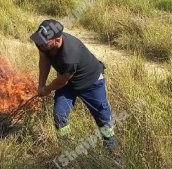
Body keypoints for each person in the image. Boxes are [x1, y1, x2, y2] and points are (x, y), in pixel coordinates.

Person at [31, 19, 117, 150]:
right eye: (38, 40)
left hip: (91, 82)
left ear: (57, 40)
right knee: (59, 115)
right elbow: (44, 60)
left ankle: (110, 147)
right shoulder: (44, 44)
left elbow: (62, 81)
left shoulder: (70, 55)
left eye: (43, 42)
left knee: (102, 117)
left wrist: (47, 89)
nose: (39, 44)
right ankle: (66, 145)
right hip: (69, 84)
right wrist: (41, 85)